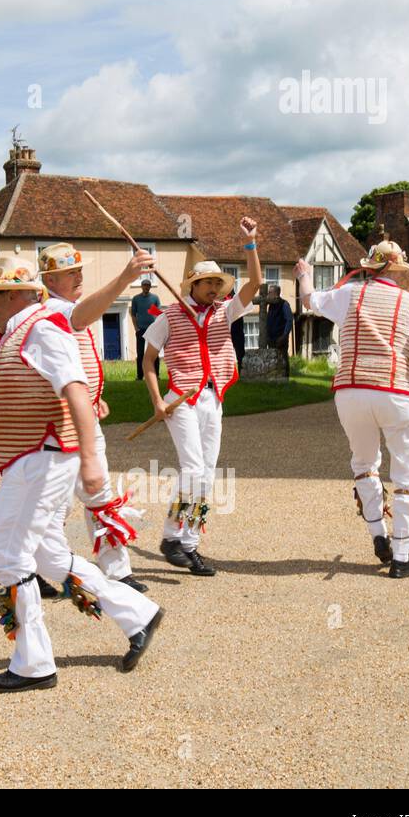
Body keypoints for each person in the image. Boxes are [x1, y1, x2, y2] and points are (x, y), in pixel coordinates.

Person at [0, 254, 163, 692]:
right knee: (51, 558)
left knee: (8, 555)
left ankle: (33, 664)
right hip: (32, 460)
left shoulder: (40, 327)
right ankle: (137, 613)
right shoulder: (15, 334)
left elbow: (76, 389)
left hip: (41, 459)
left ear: (12, 294)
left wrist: (92, 461)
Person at [297, 241, 409, 578]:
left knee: (365, 464)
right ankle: (401, 557)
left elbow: (309, 300)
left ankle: (378, 535)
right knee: (407, 473)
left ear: (370, 266)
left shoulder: (348, 294)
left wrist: (305, 274)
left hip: (350, 391)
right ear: (399, 271)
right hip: (394, 391)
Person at [142, 219, 263, 577]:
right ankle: (170, 538)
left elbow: (255, 283)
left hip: (214, 398)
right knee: (193, 469)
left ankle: (190, 543)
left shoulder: (224, 312)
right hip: (181, 399)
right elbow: (148, 361)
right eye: (209, 283)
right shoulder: (169, 317)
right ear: (194, 285)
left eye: (217, 283)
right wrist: (157, 401)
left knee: (206, 476)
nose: (215, 288)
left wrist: (251, 243)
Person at [39, 243, 156, 591]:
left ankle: (118, 572)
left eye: (80, 269)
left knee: (100, 497)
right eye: (70, 272)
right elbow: (81, 318)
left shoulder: (71, 307)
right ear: (49, 279)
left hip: (82, 417)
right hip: (58, 426)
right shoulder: (52, 311)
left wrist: (94, 395)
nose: (79, 276)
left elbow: (75, 363)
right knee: (54, 505)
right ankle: (37, 570)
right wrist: (125, 277)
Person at [130, 276, 161, 381]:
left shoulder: (155, 298)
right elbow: (133, 314)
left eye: (148, 285)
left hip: (153, 330)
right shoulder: (136, 299)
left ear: (150, 287)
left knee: (155, 353)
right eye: (144, 285)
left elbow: (158, 313)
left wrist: (157, 326)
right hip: (141, 330)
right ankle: (140, 376)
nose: (146, 287)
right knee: (140, 354)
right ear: (141, 286)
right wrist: (136, 328)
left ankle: (156, 375)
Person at [265, 284, 293, 356]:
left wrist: (284, 336)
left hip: (280, 340)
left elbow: (289, 321)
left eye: (270, 293)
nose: (268, 295)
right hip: (271, 340)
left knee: (283, 362)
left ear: (275, 294)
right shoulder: (271, 305)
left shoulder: (284, 304)